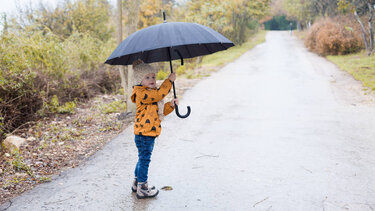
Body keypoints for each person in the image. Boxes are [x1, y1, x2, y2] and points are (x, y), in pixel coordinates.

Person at [130, 60, 178, 199]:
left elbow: (160, 110)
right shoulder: (141, 93)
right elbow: (159, 95)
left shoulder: (151, 92)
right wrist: (168, 81)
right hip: (144, 134)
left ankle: (136, 183)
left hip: (148, 133)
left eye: (153, 77)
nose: (152, 80)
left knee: (142, 159)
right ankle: (143, 187)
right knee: (145, 159)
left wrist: (171, 105)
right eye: (147, 77)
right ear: (140, 80)